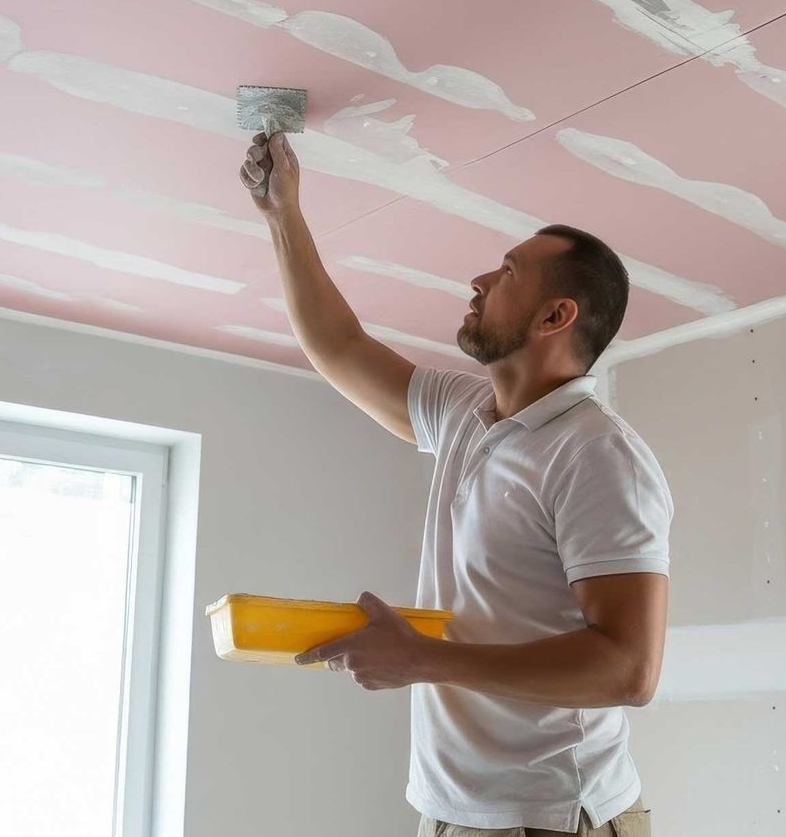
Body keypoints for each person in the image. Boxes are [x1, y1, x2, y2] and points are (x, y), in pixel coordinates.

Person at [239, 134, 672, 836]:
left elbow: (628, 669)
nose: (478, 281)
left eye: (507, 272)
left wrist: (419, 658)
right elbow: (340, 347)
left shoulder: (596, 454)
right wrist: (283, 213)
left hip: (551, 819)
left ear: (555, 316)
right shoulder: (465, 413)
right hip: (451, 810)